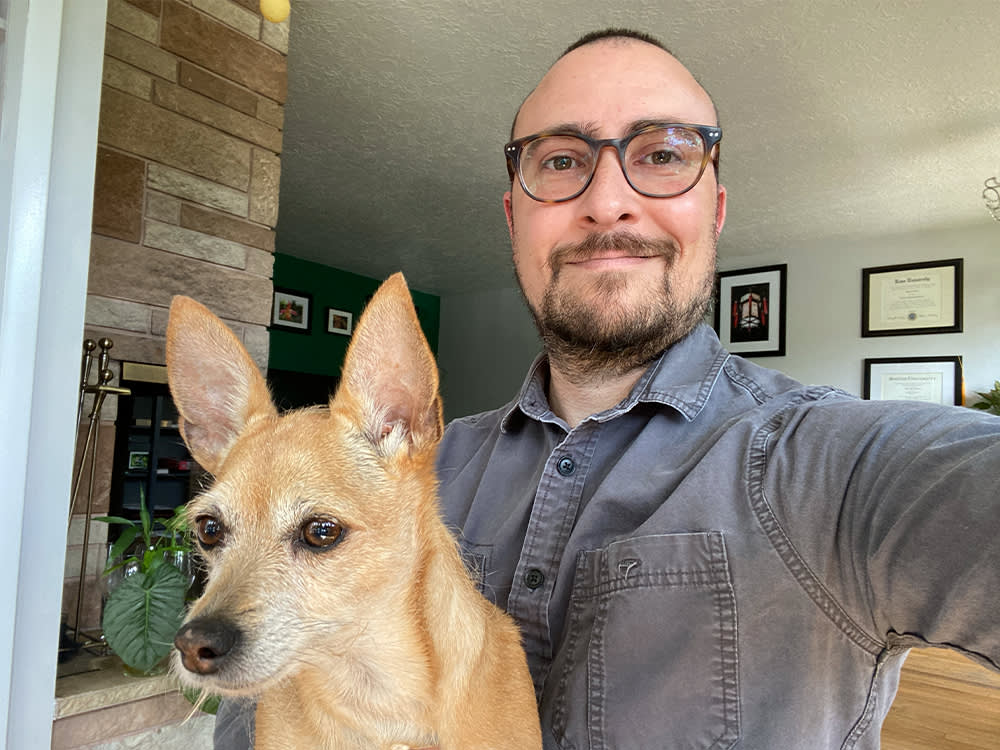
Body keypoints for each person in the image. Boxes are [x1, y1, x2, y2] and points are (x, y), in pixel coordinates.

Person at [215, 28, 1000, 749]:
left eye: (663, 155)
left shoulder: (833, 463)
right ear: (514, 217)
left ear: (715, 209)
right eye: (560, 161)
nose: (607, 199)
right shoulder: (399, 469)